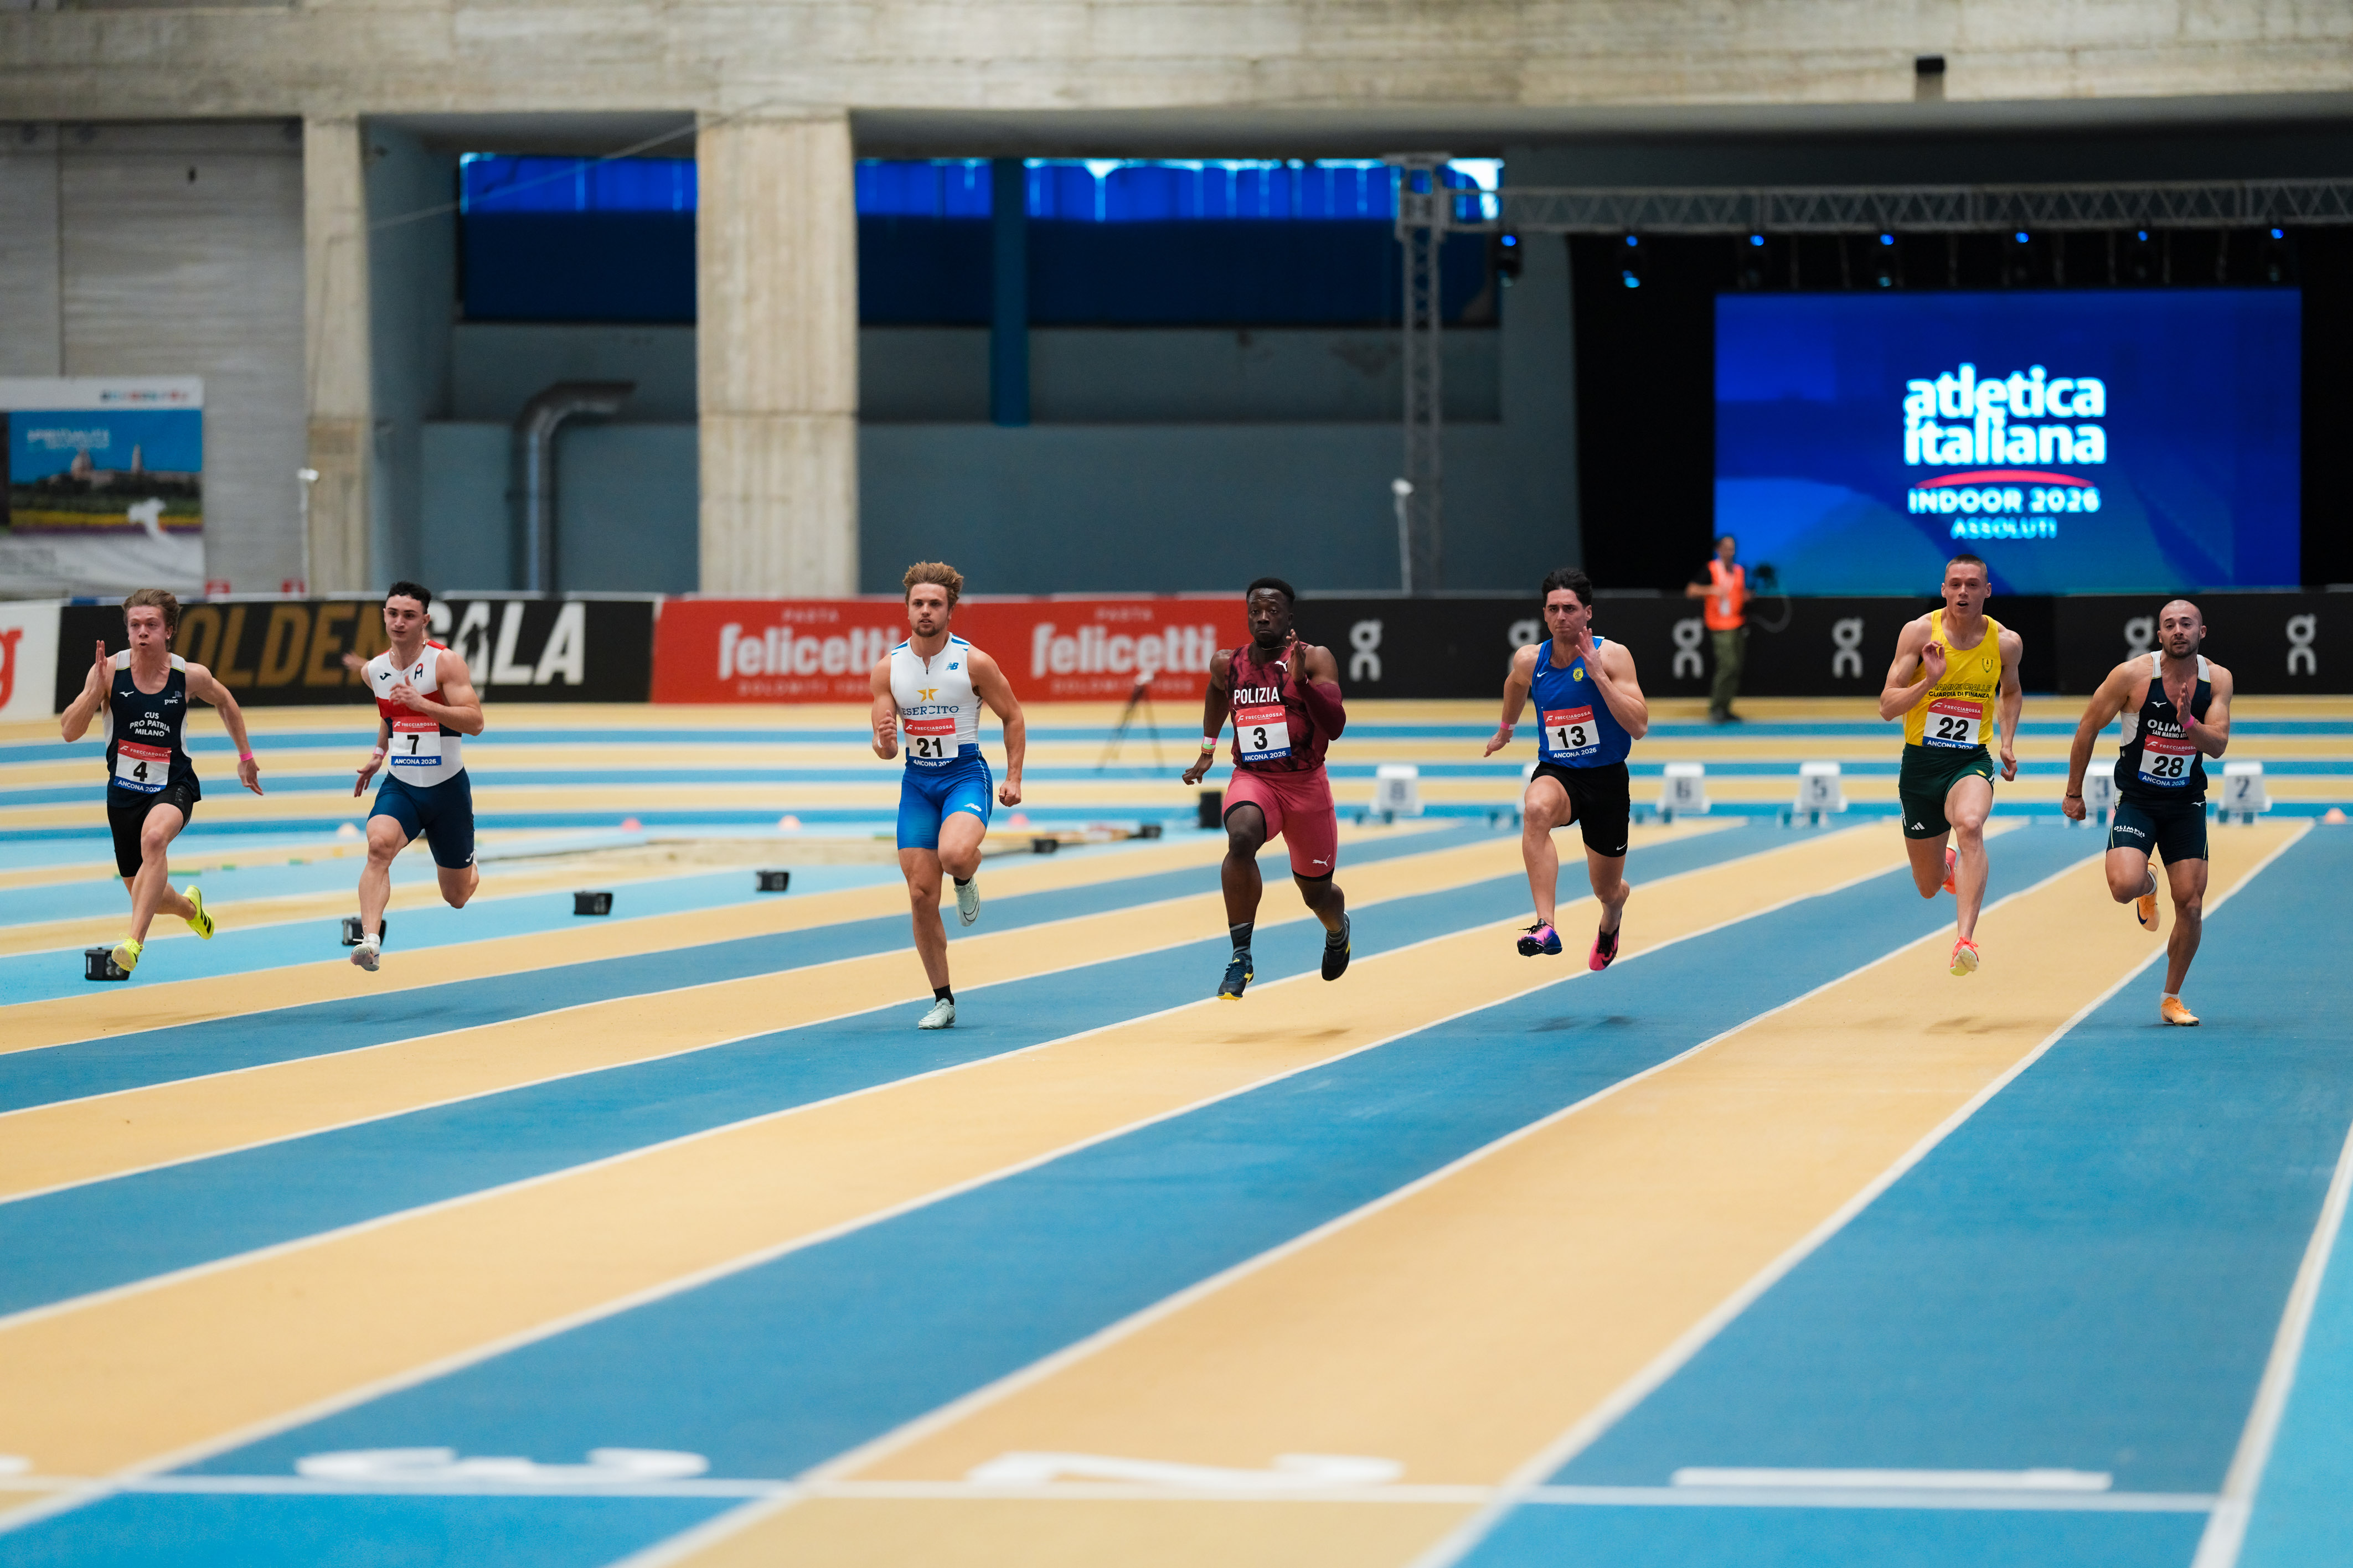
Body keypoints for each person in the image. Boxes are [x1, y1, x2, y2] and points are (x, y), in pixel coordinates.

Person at [59, 588, 262, 976]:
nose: (142, 632)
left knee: (154, 840)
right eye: (135, 625)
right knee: (147, 893)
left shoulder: (189, 675)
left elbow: (225, 701)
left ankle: (133, 943)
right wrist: (94, 691)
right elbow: (69, 731)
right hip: (123, 795)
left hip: (174, 785)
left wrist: (246, 758)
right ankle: (190, 908)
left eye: (151, 624)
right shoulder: (108, 672)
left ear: (168, 630)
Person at [2061, 599, 2232, 1026]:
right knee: (2123, 887)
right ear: (2159, 635)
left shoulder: (2218, 679)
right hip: (2138, 801)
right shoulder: (2132, 676)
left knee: (2191, 905)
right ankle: (2147, 882)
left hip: (2186, 804)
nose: (2178, 630)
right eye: (2170, 624)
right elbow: (2087, 726)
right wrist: (2073, 792)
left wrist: (2189, 722)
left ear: (2201, 632)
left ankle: (2171, 998)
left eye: (2187, 624)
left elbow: (2218, 744)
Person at [870, 562, 1026, 1029]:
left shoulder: (974, 662)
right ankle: (943, 999)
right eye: (918, 603)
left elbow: (1013, 716)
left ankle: (965, 875)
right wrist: (885, 742)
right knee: (921, 894)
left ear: (950, 611)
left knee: (955, 854)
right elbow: (885, 748)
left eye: (935, 604)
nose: (926, 611)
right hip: (918, 784)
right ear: (907, 610)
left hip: (964, 777)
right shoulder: (888, 669)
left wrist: (1014, 777)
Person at [1181, 577, 1350, 1001]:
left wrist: (1302, 683)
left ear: (1289, 617)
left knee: (1318, 895)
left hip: (1306, 786)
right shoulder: (1228, 664)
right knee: (1240, 838)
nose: (1262, 617)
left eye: (1272, 611)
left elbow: (1335, 726)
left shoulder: (1315, 658)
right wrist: (1207, 750)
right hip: (1254, 778)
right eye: (1255, 610)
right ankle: (1241, 955)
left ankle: (1338, 931)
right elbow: (1217, 690)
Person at [1485, 566, 1649, 967]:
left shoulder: (1613, 656)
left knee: (1606, 889)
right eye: (1554, 609)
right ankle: (1546, 925)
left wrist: (1599, 677)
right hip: (1559, 773)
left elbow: (1639, 726)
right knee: (1535, 808)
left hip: (1606, 780)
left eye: (1570, 609)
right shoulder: (1531, 660)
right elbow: (1514, 685)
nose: (1561, 617)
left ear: (1587, 613)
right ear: (1545, 614)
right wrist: (1506, 730)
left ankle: (1613, 914)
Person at [1879, 552, 2022, 977]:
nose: (1963, 592)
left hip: (1969, 761)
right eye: (1955, 584)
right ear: (1944, 589)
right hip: (1921, 766)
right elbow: (1887, 706)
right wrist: (1930, 681)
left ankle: (1965, 940)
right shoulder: (1919, 633)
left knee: (1971, 824)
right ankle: (1946, 865)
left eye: (1972, 584)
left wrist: (2007, 742)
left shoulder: (2005, 643)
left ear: (1987, 591)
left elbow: (2011, 691)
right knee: (1928, 886)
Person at [347, 582, 485, 971]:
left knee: (456, 896)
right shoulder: (374, 670)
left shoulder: (446, 663)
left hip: (447, 791)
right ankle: (370, 942)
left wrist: (424, 704)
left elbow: (475, 722)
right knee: (378, 846)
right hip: (402, 786)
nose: (399, 622)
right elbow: (390, 715)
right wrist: (378, 754)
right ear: (384, 616)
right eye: (393, 614)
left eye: (409, 616)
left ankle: (470, 864)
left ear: (424, 620)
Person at [1684, 533, 1747, 723]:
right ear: (1719, 550)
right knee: (1728, 665)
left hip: (1737, 624)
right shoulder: (1711, 569)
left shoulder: (1739, 571)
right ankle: (1717, 708)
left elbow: (1737, 594)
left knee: (1736, 668)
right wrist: (1711, 590)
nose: (1731, 551)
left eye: (1733, 548)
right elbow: (1691, 591)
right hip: (1719, 625)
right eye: (1727, 548)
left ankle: (1726, 708)